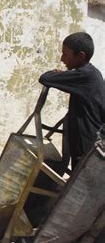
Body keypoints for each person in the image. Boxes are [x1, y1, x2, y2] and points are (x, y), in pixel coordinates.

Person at [39, 32, 105, 170]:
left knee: (81, 186)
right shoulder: (90, 73)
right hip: (86, 144)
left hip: (86, 146)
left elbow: (45, 78)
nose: (62, 59)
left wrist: (59, 74)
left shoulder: (84, 75)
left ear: (80, 56)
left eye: (65, 54)